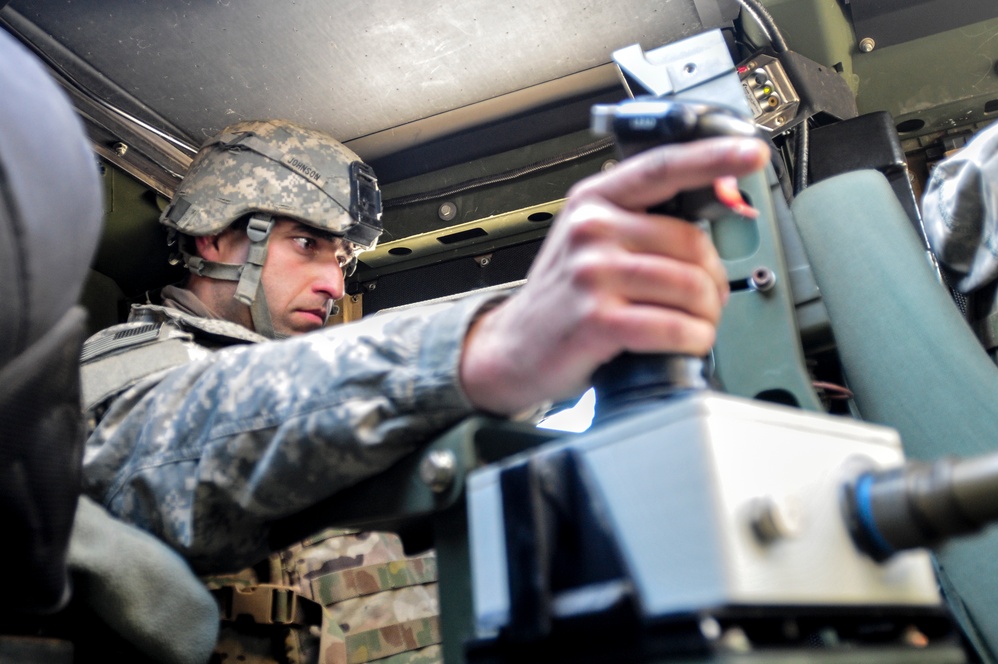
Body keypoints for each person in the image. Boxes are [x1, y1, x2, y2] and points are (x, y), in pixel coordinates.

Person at [79, 118, 769, 661]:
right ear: (215, 240)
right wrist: (481, 347)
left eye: (344, 259)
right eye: (306, 245)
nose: (334, 284)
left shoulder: (319, 374)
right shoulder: (134, 367)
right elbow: (146, 460)